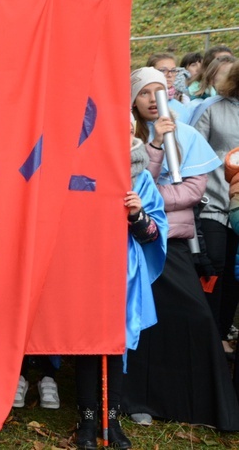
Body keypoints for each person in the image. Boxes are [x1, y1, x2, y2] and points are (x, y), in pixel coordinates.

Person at [122, 67, 239, 430]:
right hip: (131, 241)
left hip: (170, 241)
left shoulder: (186, 134)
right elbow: (129, 182)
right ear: (134, 98)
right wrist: (154, 146)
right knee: (141, 320)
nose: (152, 99)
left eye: (159, 91)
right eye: (144, 92)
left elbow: (190, 191)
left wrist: (147, 199)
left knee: (195, 317)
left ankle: (195, 402)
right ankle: (137, 399)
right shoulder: (128, 136)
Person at [75, 117, 167, 450]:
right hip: (87, 267)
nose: (124, 132)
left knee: (115, 343)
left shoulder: (142, 179)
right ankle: (86, 418)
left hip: (123, 272)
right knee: (86, 343)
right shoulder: (84, 171)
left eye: (129, 127)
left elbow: (154, 234)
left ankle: (110, 419)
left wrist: (137, 214)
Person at [193, 60, 239, 360]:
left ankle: (222, 331)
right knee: (216, 266)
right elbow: (194, 150)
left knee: (235, 273)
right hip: (212, 200)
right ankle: (207, 333)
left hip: (238, 206)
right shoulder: (213, 107)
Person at [146, 53, 190, 122]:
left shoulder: (181, 107)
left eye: (173, 70)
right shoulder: (142, 103)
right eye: (163, 70)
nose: (169, 75)